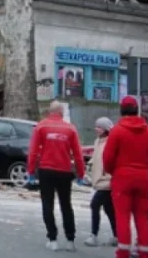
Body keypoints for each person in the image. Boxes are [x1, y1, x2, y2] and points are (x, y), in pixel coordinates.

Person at [103, 96, 148, 258]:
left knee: (122, 217)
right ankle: (144, 253)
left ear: (121, 111)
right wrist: (145, 169)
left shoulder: (117, 131)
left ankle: (123, 253)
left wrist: (113, 171)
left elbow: (108, 158)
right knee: (142, 218)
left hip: (122, 178)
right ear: (137, 110)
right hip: (142, 178)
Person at [28, 100, 85, 251]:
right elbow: (78, 154)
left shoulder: (41, 126)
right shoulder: (70, 129)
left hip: (46, 170)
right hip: (64, 171)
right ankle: (70, 240)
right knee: (66, 205)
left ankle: (52, 238)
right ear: (61, 113)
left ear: (49, 112)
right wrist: (81, 173)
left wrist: (31, 171)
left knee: (48, 204)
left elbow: (33, 151)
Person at [85, 117, 118, 247]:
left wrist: (107, 175)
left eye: (99, 127)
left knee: (95, 205)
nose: (96, 129)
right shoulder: (98, 141)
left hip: (107, 181)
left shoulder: (110, 142)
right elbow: (96, 158)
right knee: (109, 209)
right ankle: (117, 236)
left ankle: (94, 235)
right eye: (96, 126)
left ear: (105, 129)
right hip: (99, 180)